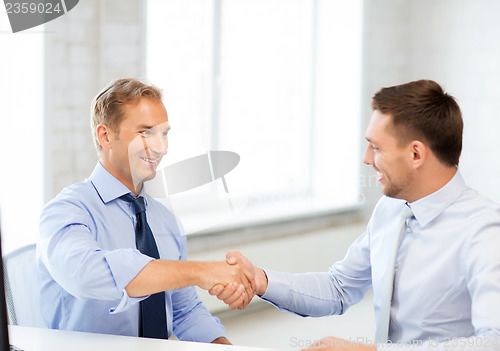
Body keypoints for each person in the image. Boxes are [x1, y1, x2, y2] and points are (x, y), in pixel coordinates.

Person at [211, 80, 500, 349]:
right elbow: (338, 288)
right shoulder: (392, 210)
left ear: (416, 154)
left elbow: (493, 341)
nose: (366, 159)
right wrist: (261, 280)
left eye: (376, 147)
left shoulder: (485, 231)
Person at [37, 78, 250, 344]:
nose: (161, 148)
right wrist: (201, 271)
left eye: (164, 133)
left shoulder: (165, 221)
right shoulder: (67, 211)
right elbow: (85, 274)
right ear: (106, 136)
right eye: (145, 132)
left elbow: (185, 312)